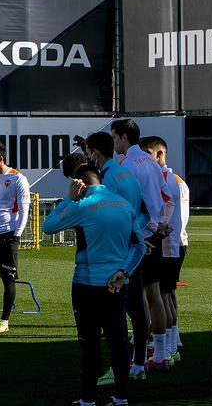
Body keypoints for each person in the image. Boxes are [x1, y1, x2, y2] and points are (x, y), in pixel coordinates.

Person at [42, 164, 146, 406]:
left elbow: (48, 227)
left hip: (87, 285)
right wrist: (125, 271)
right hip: (116, 285)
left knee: (89, 344)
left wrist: (69, 199)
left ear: (80, 183)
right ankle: (121, 397)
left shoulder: (83, 205)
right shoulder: (124, 205)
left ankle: (88, 399)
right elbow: (139, 245)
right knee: (118, 341)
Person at [85, 131, 150, 383]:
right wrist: (138, 234)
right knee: (137, 308)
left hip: (114, 254)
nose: (87, 157)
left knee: (115, 315)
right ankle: (139, 365)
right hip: (134, 251)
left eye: (88, 152)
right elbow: (145, 211)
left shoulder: (108, 179)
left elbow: (104, 216)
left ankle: (119, 367)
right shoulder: (128, 174)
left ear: (95, 153)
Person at [111, 119, 174, 372]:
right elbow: (162, 197)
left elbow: (131, 204)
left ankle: (138, 360)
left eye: (115, 137)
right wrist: (160, 224)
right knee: (154, 295)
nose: (114, 142)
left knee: (137, 300)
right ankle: (159, 354)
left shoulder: (126, 165)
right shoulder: (150, 162)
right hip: (154, 234)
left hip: (141, 236)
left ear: (124, 137)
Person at [140, 136, 188, 366]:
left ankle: (166, 348)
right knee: (167, 294)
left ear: (159, 154)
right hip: (177, 241)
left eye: (147, 154)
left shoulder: (165, 179)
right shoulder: (176, 179)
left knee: (160, 295)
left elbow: (163, 215)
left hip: (168, 243)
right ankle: (171, 342)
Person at [0, 140, 30, 335]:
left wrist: (16, 235)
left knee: (8, 280)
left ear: (0, 159)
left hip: (8, 236)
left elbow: (25, 210)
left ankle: (4, 321)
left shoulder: (18, 179)